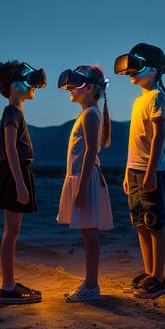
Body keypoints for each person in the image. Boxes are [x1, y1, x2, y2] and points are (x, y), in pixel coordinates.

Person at [118, 43, 165, 299]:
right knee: (140, 223)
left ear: (153, 69)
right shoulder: (139, 100)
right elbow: (134, 141)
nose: (131, 73)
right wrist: (128, 173)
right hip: (134, 171)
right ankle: (149, 272)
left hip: (151, 170)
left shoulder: (157, 97)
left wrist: (150, 172)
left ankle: (158, 278)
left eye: (135, 67)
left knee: (154, 224)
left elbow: (158, 138)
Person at [57, 65, 113, 302]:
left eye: (75, 85)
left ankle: (91, 286)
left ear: (88, 88)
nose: (70, 89)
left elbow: (91, 151)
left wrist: (80, 188)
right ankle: (90, 283)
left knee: (90, 234)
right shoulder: (87, 113)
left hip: (86, 179)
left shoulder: (90, 113)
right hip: (83, 178)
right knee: (87, 232)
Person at [0, 60, 46, 304]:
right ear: (13, 86)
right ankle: (8, 288)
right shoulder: (11, 112)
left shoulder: (16, 111)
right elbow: (11, 148)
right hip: (14, 173)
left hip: (16, 172)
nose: (32, 84)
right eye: (26, 79)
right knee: (11, 233)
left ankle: (10, 283)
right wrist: (20, 183)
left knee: (12, 232)